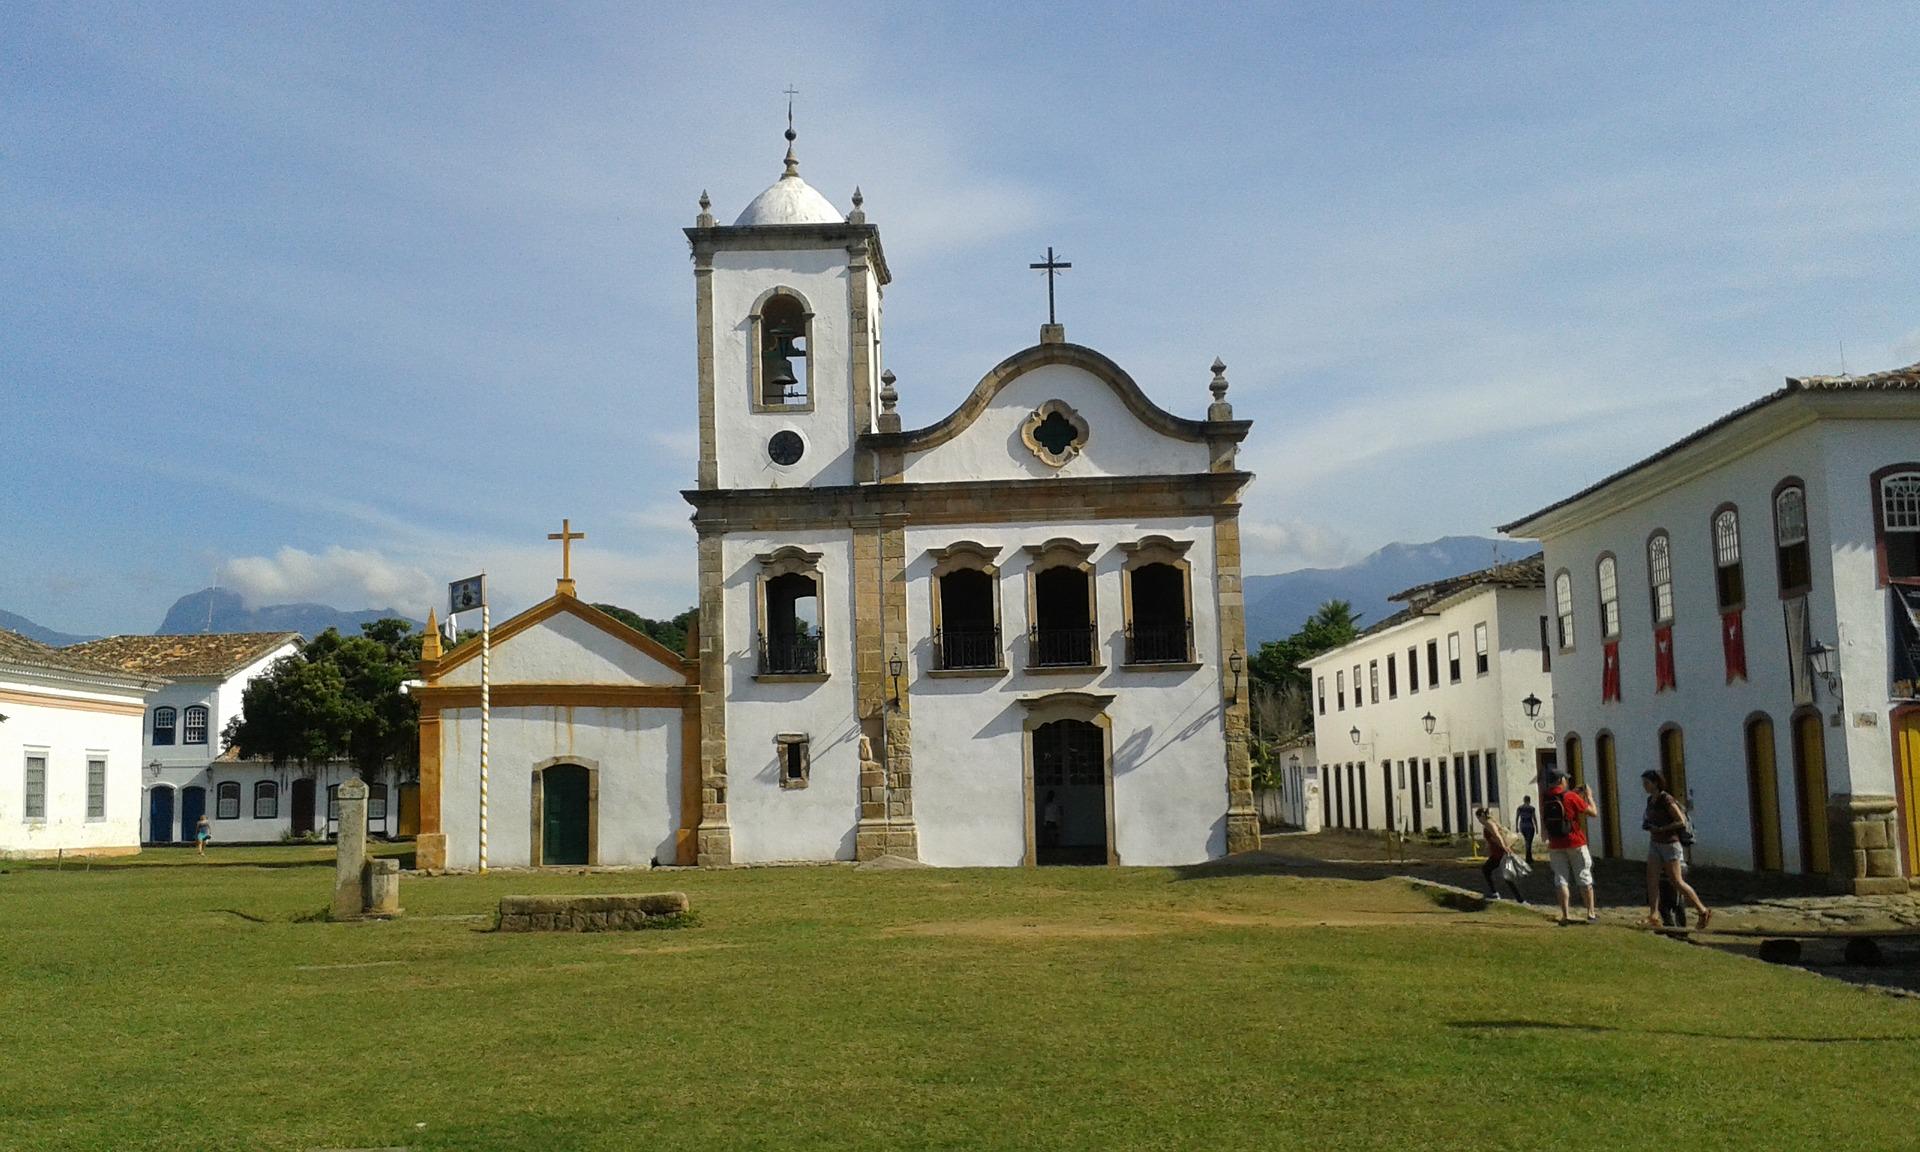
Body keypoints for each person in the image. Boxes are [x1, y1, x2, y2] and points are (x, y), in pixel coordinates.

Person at [1641, 770, 1710, 930]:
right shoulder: (1650, 800)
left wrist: (1662, 828)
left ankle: (1702, 910)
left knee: (1677, 881)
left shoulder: (1667, 799)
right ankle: (1653, 914)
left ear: (1656, 783)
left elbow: (1681, 821)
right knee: (1652, 879)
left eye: (1647, 783)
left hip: (1670, 844)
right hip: (1655, 843)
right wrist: (1649, 826)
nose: (1644, 786)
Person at [1541, 772, 1598, 924]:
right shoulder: (1571, 797)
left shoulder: (1546, 797)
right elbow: (1593, 812)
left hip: (1555, 843)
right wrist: (1589, 796)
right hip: (1575, 841)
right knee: (1584, 876)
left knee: (1561, 879)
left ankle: (1565, 914)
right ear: (1561, 780)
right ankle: (1591, 913)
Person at [1476, 806, 1526, 902]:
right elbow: (1492, 839)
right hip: (1497, 853)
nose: (1479, 821)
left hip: (1500, 853)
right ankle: (1517, 899)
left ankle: (1518, 899)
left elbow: (1497, 836)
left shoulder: (1489, 824)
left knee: (1503, 875)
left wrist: (1504, 847)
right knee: (1491, 871)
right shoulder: (1491, 823)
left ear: (1481, 816)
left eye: (1478, 818)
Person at [1516, 796, 1538, 863]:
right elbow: (1534, 818)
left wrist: (1516, 827)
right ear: (1529, 800)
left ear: (1524, 800)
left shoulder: (1520, 808)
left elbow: (1517, 817)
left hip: (1522, 826)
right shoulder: (1531, 808)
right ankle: (1528, 858)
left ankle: (1529, 857)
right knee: (1529, 842)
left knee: (1527, 841)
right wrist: (1537, 828)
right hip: (1529, 826)